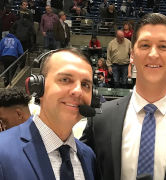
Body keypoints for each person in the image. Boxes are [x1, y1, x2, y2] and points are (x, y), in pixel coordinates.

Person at [81, 13, 166, 180]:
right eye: (145, 45)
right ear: (131, 54)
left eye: (163, 47)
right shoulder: (101, 117)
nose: (153, 54)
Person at [0, 48, 96, 179]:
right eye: (65, 80)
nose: (78, 91)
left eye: (85, 84)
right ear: (37, 87)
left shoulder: (89, 156)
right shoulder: (3, 149)